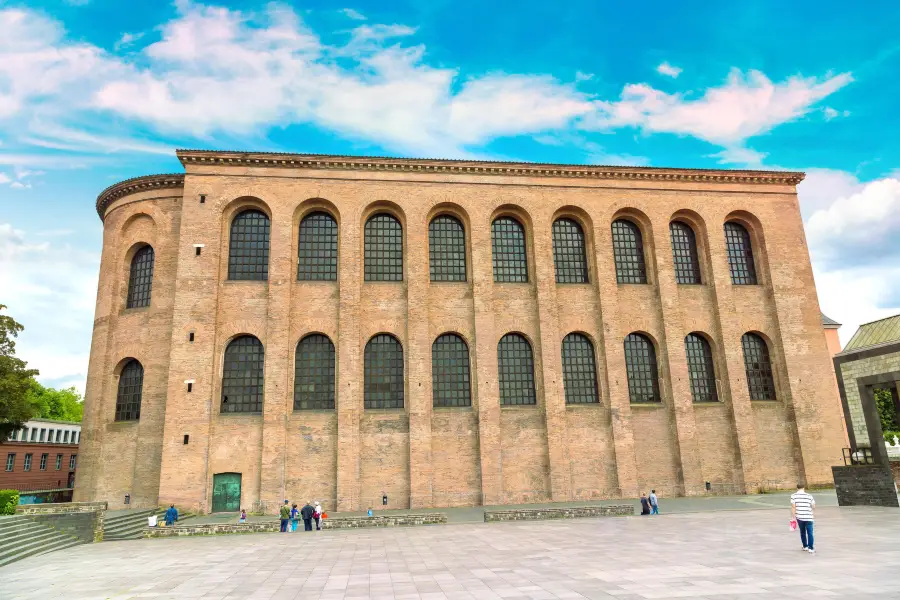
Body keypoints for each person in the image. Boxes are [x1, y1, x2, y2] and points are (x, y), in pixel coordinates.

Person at [791, 483, 816, 553]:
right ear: (804, 488)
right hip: (809, 517)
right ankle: (811, 548)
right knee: (810, 533)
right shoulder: (809, 496)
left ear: (797, 488)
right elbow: (813, 506)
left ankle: (805, 546)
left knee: (802, 532)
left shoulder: (793, 496)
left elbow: (793, 507)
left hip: (800, 517)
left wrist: (793, 517)